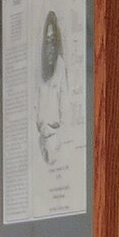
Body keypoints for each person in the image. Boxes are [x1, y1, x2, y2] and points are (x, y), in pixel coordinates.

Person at [35, 9, 67, 167]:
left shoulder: (60, 67)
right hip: (42, 134)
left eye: (53, 40)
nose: (50, 46)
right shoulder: (38, 71)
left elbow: (65, 106)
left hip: (56, 133)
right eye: (47, 41)